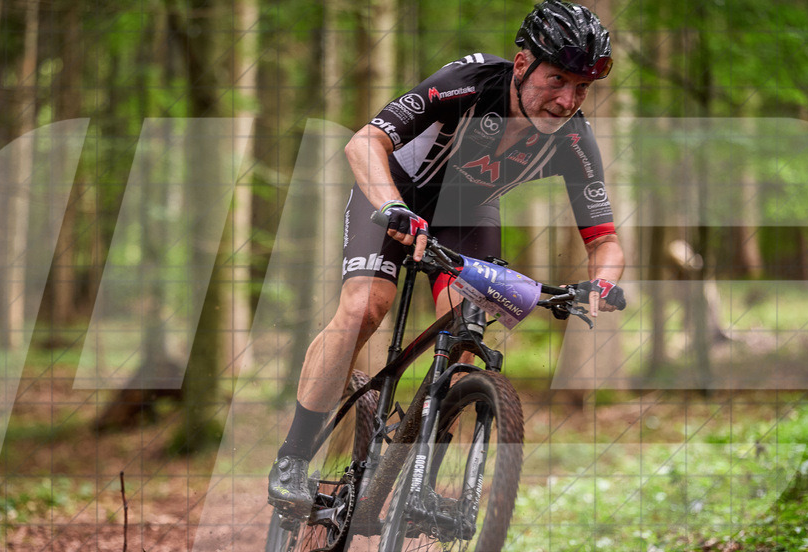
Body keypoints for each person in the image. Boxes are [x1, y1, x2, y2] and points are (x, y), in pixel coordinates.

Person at [268, 0, 627, 515]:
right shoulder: (468, 81)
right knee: (365, 308)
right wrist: (391, 206)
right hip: (399, 192)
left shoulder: (574, 140)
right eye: (557, 81)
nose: (568, 100)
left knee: (466, 329)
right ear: (523, 64)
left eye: (582, 88)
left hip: (467, 213)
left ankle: (420, 481)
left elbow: (604, 241)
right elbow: (364, 142)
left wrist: (602, 284)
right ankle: (293, 458)